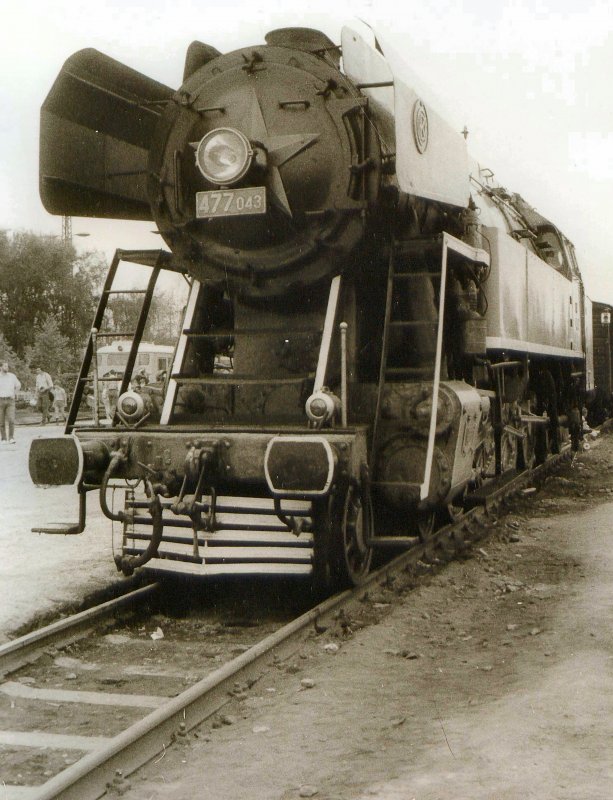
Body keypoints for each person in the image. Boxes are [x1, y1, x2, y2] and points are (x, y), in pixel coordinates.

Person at [0, 361, 21, 443]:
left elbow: (18, 385)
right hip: (0, 400)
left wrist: (14, 393)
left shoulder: (12, 376)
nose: (7, 368)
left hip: (10, 401)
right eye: (5, 366)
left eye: (7, 366)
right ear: (0, 367)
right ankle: (3, 438)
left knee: (11, 419)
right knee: (1, 421)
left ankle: (11, 438)